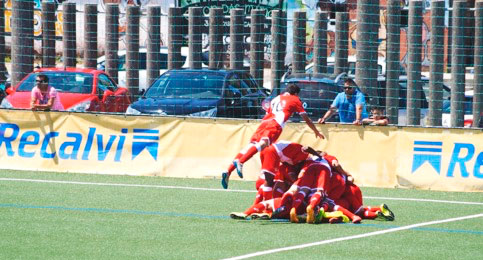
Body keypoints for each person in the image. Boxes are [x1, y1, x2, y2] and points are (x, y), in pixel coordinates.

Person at [221, 83, 325, 189]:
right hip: (275, 124)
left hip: (264, 122)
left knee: (251, 146)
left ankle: (228, 171)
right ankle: (241, 162)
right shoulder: (295, 99)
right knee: (264, 143)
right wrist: (316, 131)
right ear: (296, 93)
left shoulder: (276, 98)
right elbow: (306, 118)